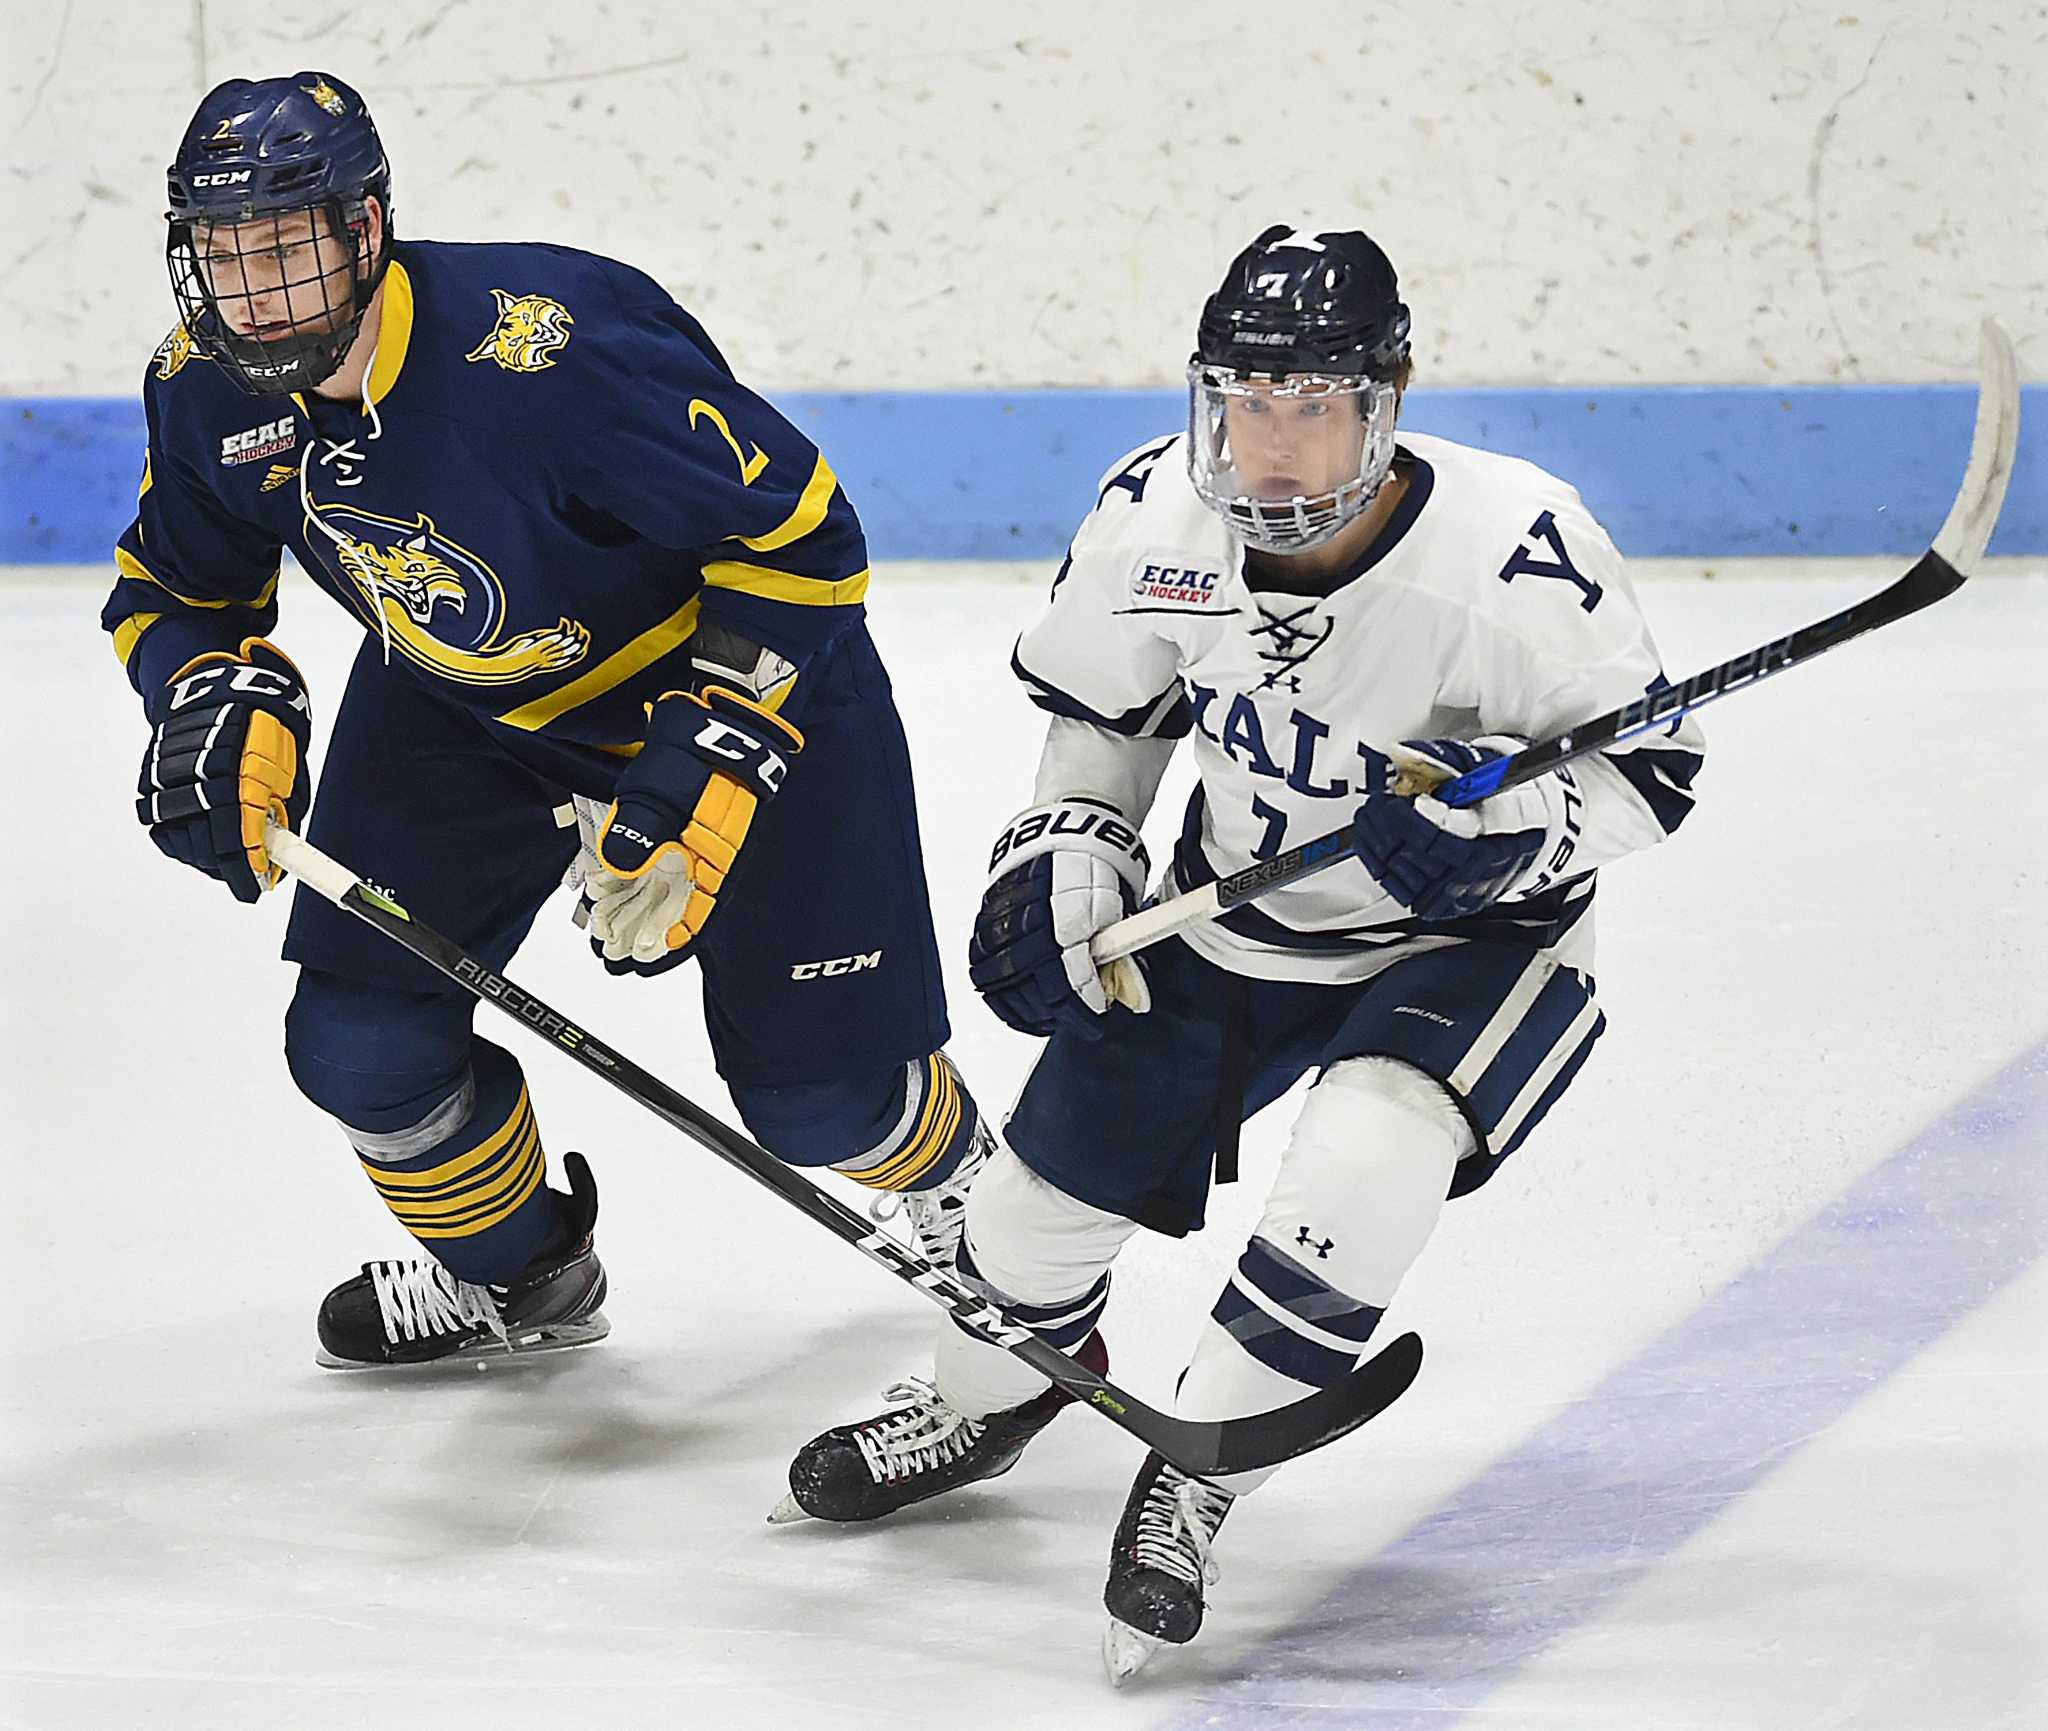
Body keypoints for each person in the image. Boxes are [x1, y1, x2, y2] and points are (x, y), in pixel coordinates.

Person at [771, 224, 1708, 1682]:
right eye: (1245, 402)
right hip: (1235, 908)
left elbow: (1647, 780)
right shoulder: (1158, 519)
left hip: (1477, 943)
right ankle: (998, 1394)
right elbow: (1108, 727)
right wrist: (1069, 850)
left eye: (1312, 404)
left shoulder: (1518, 553)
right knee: (1016, 1248)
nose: (1271, 448)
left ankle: (1198, 1473)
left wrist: (1504, 825)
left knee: (1369, 1154)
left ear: (1385, 400)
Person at [106, 72, 995, 1369]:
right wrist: (206, 693)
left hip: (721, 680)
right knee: (357, 1046)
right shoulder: (207, 391)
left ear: (366, 232)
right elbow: (176, 586)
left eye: (288, 248)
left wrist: (708, 752)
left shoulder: (551, 357)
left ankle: (976, 1198)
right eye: (225, 252)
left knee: (821, 1104)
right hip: (461, 704)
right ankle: (523, 1278)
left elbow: (803, 540)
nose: (256, 290)